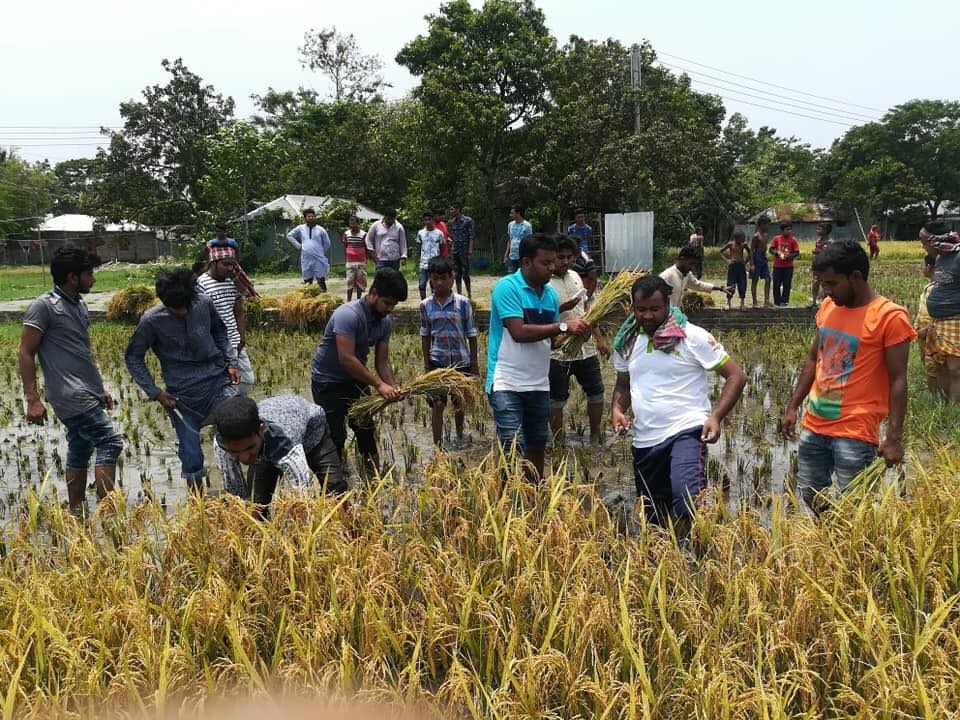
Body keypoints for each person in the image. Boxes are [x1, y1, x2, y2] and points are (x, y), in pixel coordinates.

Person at [780, 240, 915, 515]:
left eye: (831, 283)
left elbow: (898, 379)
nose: (826, 291)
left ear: (855, 277)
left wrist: (893, 437)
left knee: (854, 505)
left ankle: (852, 541)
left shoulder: (889, 317)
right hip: (815, 424)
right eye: (822, 284)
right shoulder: (828, 308)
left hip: (856, 430)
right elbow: (813, 358)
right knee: (810, 493)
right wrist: (793, 405)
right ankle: (831, 535)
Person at [611, 275, 746, 531]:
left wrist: (716, 417)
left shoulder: (692, 336)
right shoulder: (627, 340)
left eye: (654, 309)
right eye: (641, 309)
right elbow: (622, 385)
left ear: (667, 304)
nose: (647, 315)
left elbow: (736, 376)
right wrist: (617, 409)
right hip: (645, 440)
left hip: (687, 430)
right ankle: (666, 553)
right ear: (632, 307)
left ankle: (693, 551)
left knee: (687, 502)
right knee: (654, 516)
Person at [18, 246, 123, 515]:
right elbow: (26, 352)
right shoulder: (43, 307)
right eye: (88, 274)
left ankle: (77, 511)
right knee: (110, 442)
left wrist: (99, 388)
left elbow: (81, 352)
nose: (93, 279)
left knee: (80, 446)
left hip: (85, 391)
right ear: (72, 277)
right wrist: (33, 399)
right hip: (69, 394)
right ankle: (109, 516)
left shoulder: (78, 304)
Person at [125, 267, 240, 494]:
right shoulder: (151, 320)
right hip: (182, 398)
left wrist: (231, 362)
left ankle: (239, 493)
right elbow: (133, 357)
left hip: (217, 383)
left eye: (185, 307)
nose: (181, 312)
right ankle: (198, 504)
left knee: (238, 431)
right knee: (191, 455)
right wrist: (155, 392)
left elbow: (220, 331)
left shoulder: (204, 303)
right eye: (174, 308)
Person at [487, 233, 591, 482]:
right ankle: (504, 498)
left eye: (553, 262)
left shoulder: (550, 296)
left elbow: (552, 340)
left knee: (537, 446)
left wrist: (577, 334)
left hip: (538, 384)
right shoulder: (507, 288)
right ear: (526, 262)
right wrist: (564, 326)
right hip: (506, 382)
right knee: (512, 447)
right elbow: (519, 332)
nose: (552, 267)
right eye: (546, 263)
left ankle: (533, 494)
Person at [310, 268, 407, 477]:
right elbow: (347, 359)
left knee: (366, 429)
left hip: (355, 379)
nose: (389, 309)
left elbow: (382, 361)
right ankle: (336, 482)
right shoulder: (348, 314)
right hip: (327, 381)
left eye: (394, 305)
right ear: (373, 293)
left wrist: (392, 386)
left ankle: (374, 479)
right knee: (335, 435)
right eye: (387, 303)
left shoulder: (385, 322)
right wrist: (379, 385)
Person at [212, 395, 345, 518]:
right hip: (266, 443)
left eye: (249, 448)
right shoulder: (222, 446)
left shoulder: (286, 443)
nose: (245, 458)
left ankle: (349, 528)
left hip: (313, 433)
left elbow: (304, 498)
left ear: (261, 430)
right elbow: (235, 493)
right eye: (235, 452)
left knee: (335, 488)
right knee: (256, 503)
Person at [548, 236, 608, 445]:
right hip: (559, 351)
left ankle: (595, 436)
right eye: (560, 257)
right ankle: (559, 443)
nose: (565, 261)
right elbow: (540, 316)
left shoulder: (575, 276)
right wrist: (562, 309)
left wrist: (600, 339)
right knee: (557, 399)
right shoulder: (545, 283)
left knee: (597, 392)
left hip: (586, 348)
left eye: (569, 257)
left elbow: (587, 311)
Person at [419, 257, 479, 449]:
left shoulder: (464, 303)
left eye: (444, 278)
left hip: (461, 361)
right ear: (430, 279)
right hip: (437, 361)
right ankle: (437, 447)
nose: (439, 283)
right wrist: (427, 365)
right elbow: (425, 335)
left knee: (459, 401)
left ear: (452, 278)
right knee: (437, 404)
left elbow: (472, 334)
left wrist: (474, 363)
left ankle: (459, 436)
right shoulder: (425, 305)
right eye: (435, 278)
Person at [196, 244, 255, 395]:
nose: (230, 268)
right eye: (225, 264)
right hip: (216, 344)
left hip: (235, 341)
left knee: (247, 380)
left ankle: (235, 404)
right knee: (224, 382)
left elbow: (239, 312)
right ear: (213, 262)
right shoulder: (201, 284)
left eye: (232, 265)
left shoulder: (233, 283)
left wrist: (241, 337)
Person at [920, 221, 960, 402]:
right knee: (941, 366)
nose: (923, 246)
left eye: (924, 242)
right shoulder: (940, 259)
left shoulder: (958, 257)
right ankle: (944, 404)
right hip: (938, 321)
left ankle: (954, 407)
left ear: (935, 242)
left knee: (955, 369)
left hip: (955, 319)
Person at [660, 247, 731, 308]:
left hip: (674, 315)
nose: (693, 268)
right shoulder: (667, 276)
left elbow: (698, 285)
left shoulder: (687, 275)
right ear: (682, 259)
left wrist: (721, 288)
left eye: (694, 265)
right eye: (691, 264)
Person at [285, 208, 331, 291]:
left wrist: (320, 252)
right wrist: (298, 246)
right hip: (306, 258)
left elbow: (327, 243)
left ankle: (324, 297)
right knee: (307, 281)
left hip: (318, 259)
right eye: (309, 216)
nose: (311, 218)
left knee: (320, 280)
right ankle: (309, 298)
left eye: (313, 216)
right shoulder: (301, 228)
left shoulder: (321, 230)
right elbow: (289, 235)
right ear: (305, 218)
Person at [915, 252, 942, 395]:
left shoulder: (936, 289)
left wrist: (924, 330)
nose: (923, 268)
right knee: (928, 362)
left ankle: (937, 396)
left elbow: (933, 315)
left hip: (930, 333)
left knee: (933, 365)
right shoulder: (929, 287)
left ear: (929, 267)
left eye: (924, 266)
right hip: (924, 332)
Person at [769, 222, 800, 307]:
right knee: (776, 284)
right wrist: (777, 253)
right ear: (782, 230)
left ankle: (784, 301)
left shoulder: (793, 240)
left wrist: (789, 256)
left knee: (787, 284)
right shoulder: (776, 239)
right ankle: (777, 301)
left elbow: (796, 252)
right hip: (777, 266)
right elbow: (771, 249)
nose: (789, 231)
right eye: (787, 229)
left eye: (790, 229)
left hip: (788, 266)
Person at [416, 211, 445, 301]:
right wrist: (418, 260)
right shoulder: (420, 233)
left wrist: (440, 260)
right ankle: (423, 303)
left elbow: (442, 247)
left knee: (434, 284)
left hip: (434, 263)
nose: (427, 222)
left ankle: (434, 302)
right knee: (421, 285)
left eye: (429, 219)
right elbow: (418, 247)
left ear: (433, 220)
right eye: (425, 220)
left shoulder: (439, 233)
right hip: (423, 263)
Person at [448, 203, 475, 298]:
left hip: (464, 251)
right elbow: (452, 236)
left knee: (465, 274)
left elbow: (471, 236)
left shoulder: (468, 221)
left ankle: (469, 294)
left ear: (458, 209)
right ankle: (459, 294)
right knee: (457, 274)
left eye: (452, 209)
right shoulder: (452, 222)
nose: (451, 212)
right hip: (455, 251)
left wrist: (470, 251)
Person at [719, 231, 749, 310]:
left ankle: (742, 303)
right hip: (733, 266)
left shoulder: (744, 244)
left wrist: (745, 261)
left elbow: (750, 253)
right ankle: (728, 303)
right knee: (731, 283)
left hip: (741, 266)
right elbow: (721, 252)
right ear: (737, 238)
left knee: (742, 284)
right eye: (742, 238)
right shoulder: (730, 244)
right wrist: (727, 260)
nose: (743, 240)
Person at [341, 213, 368, 301]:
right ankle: (349, 300)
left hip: (361, 261)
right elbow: (345, 246)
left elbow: (366, 247)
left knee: (360, 281)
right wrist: (346, 258)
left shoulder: (364, 234)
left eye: (353, 222)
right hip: (350, 261)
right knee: (350, 281)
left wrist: (366, 260)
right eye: (350, 222)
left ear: (358, 223)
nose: (352, 224)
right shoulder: (346, 234)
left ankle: (358, 299)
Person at [749, 216, 772, 308]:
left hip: (763, 258)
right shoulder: (756, 236)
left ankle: (766, 301)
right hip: (756, 258)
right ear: (762, 225)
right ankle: (754, 301)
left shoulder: (766, 235)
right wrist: (752, 264)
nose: (768, 227)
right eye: (767, 225)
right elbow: (751, 250)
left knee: (768, 279)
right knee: (755, 280)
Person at [503, 205, 532, 274]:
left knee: (522, 276)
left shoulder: (527, 226)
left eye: (512, 213)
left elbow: (529, 242)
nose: (510, 215)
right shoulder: (510, 225)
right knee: (511, 276)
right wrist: (506, 255)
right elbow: (510, 240)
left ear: (518, 213)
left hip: (522, 257)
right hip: (512, 256)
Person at [810, 222, 834, 306]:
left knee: (826, 283)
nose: (817, 231)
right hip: (818, 264)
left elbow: (830, 254)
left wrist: (819, 252)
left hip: (826, 266)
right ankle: (814, 302)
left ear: (826, 231)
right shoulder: (818, 241)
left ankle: (825, 302)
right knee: (815, 282)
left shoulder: (830, 242)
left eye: (819, 229)